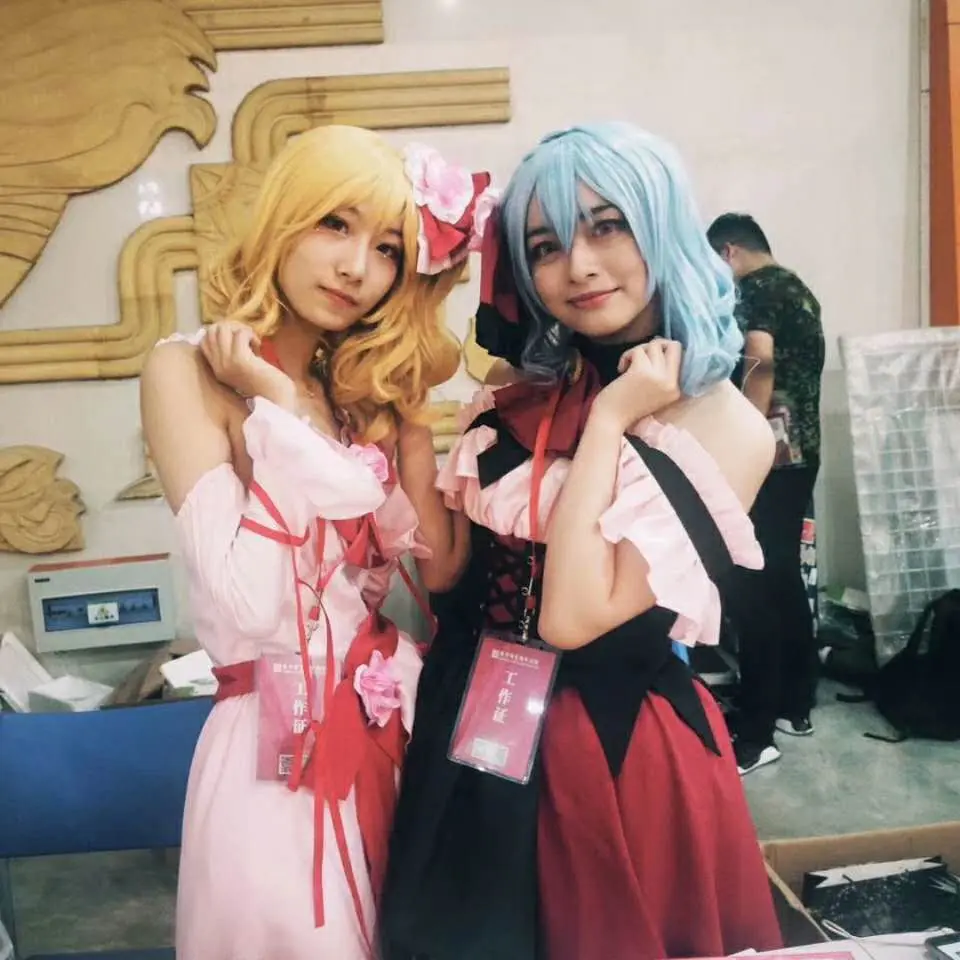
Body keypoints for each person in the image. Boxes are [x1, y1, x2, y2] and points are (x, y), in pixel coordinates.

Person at [381, 122, 783, 960]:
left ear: (661, 226)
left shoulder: (725, 425)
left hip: (604, 749)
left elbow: (571, 617)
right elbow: (448, 575)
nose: (579, 266)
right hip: (473, 718)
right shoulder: (519, 385)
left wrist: (607, 421)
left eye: (608, 227)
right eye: (546, 246)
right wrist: (404, 405)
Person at [140, 125, 495, 960]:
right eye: (334, 223)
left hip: (387, 722)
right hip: (274, 754)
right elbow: (248, 605)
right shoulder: (187, 371)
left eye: (387, 249)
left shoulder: (355, 389)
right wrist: (273, 406)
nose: (356, 267)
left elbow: (440, 569)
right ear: (281, 218)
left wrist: (408, 415)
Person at [707, 213, 825, 774]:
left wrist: (745, 434)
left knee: (752, 580)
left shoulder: (754, 290)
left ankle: (754, 732)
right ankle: (794, 703)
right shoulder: (799, 291)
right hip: (803, 453)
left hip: (770, 455)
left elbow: (760, 358)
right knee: (781, 577)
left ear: (728, 252)